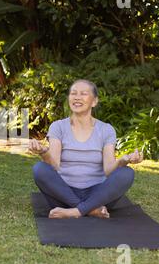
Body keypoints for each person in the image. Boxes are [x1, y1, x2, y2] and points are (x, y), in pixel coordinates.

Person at [29, 79, 143, 219]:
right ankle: (90, 210)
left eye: (83, 93)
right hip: (64, 193)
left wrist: (123, 160)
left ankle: (75, 211)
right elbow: (54, 164)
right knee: (39, 169)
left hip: (97, 194)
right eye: (73, 93)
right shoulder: (58, 127)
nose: (77, 97)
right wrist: (43, 152)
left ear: (94, 101)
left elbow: (108, 170)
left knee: (126, 173)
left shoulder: (106, 130)